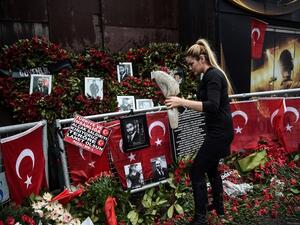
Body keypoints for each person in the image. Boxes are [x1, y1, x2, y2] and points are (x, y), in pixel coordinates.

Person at [165, 38, 234, 225]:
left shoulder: (213, 76)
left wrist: (181, 102)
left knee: (196, 171)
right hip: (219, 130)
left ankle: (200, 218)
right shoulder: (209, 76)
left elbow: (212, 106)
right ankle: (218, 209)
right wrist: (180, 102)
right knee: (211, 168)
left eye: (191, 63)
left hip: (219, 132)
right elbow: (205, 104)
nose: (189, 68)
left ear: (202, 58)